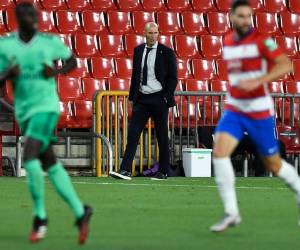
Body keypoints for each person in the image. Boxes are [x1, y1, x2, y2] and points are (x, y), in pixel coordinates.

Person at [0, 3, 93, 244]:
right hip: (25, 111)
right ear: (19, 19)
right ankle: (81, 211)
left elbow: (73, 61)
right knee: (49, 162)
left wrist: (58, 72)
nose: (33, 20)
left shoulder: (50, 42)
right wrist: (8, 74)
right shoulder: (6, 45)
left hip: (47, 107)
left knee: (29, 155)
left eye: (35, 16)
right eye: (28, 16)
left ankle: (40, 217)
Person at [210, 0, 300, 232]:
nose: (245, 20)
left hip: (259, 110)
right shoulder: (228, 42)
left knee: (274, 164)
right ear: (231, 17)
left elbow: (285, 65)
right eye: (241, 16)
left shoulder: (262, 40)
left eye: (249, 16)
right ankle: (231, 212)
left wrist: (258, 81)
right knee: (219, 153)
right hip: (235, 109)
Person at [110, 22, 177, 180]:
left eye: (155, 33)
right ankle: (125, 169)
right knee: (133, 135)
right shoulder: (138, 50)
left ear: (158, 33)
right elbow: (135, 76)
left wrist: (166, 97)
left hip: (159, 98)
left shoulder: (166, 52)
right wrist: (132, 97)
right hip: (142, 99)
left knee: (161, 136)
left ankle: (164, 171)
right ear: (144, 34)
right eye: (150, 33)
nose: (153, 36)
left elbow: (173, 78)